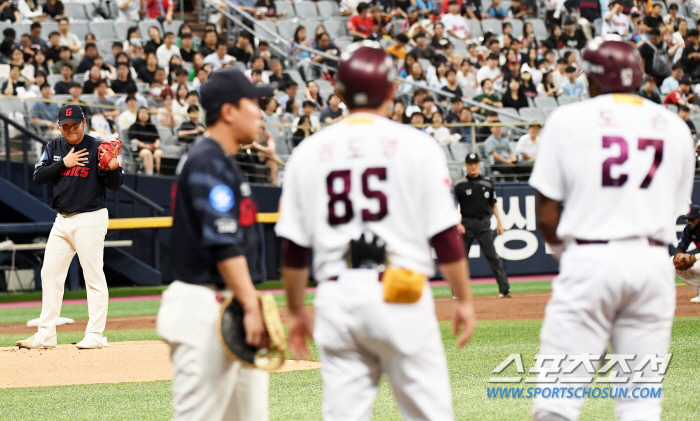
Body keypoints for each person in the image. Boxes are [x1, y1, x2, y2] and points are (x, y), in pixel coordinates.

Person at [276, 41, 476, 421]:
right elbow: (446, 238)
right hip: (400, 291)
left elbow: (294, 250)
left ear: (338, 91)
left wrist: (296, 311)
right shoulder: (417, 146)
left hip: (337, 297)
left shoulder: (308, 151)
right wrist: (464, 299)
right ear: (392, 89)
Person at [529, 38, 694, 421]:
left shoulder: (568, 120)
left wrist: (568, 255)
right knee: (640, 403)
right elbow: (677, 209)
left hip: (590, 257)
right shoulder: (674, 127)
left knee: (557, 399)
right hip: (653, 263)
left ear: (591, 78)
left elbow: (547, 216)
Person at [158, 68, 270, 421]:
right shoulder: (207, 160)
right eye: (253, 102)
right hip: (203, 306)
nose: (261, 111)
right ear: (228, 111)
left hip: (226, 303)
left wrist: (247, 302)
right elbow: (222, 242)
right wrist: (252, 305)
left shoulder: (220, 160)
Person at [16, 104, 123, 350]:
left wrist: (114, 166)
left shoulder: (97, 147)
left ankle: (95, 334)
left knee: (93, 276)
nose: (71, 129)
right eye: (66, 125)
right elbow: (38, 176)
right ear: (59, 126)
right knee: (50, 273)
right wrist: (64, 162)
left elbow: (115, 184)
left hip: (90, 217)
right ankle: (46, 334)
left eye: (75, 124)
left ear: (83, 123)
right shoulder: (54, 147)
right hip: (62, 220)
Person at [454, 153, 511, 296]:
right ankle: (457, 292)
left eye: (475, 163)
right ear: (466, 166)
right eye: (470, 164)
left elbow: (494, 205)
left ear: (479, 165)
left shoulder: (487, 183)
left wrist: (499, 223)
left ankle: (504, 290)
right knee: (461, 260)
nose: (473, 166)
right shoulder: (460, 185)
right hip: (466, 223)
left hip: (484, 223)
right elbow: (453, 206)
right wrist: (458, 223)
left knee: (493, 257)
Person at [674, 205, 700, 303]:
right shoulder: (689, 229)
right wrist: (679, 255)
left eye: (692, 219)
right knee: (675, 262)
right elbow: (681, 247)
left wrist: (694, 258)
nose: (690, 222)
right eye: (688, 219)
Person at [128, 107, 163, 175]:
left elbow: (157, 139)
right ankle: (149, 175)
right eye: (142, 113)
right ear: (138, 114)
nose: (144, 115)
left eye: (146, 113)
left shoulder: (152, 127)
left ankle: (159, 174)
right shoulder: (133, 127)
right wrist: (145, 146)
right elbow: (134, 140)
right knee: (147, 153)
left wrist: (155, 145)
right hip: (140, 149)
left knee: (159, 153)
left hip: (153, 148)